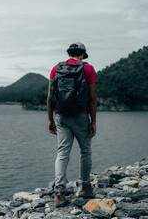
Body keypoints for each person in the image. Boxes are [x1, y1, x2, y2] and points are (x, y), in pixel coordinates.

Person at [47, 42, 97, 207]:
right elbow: (91, 98)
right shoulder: (88, 69)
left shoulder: (56, 68)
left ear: (69, 54)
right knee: (85, 151)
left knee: (62, 153)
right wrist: (93, 121)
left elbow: (50, 97)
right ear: (82, 54)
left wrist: (50, 119)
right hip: (81, 116)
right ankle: (85, 187)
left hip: (60, 116)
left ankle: (59, 193)